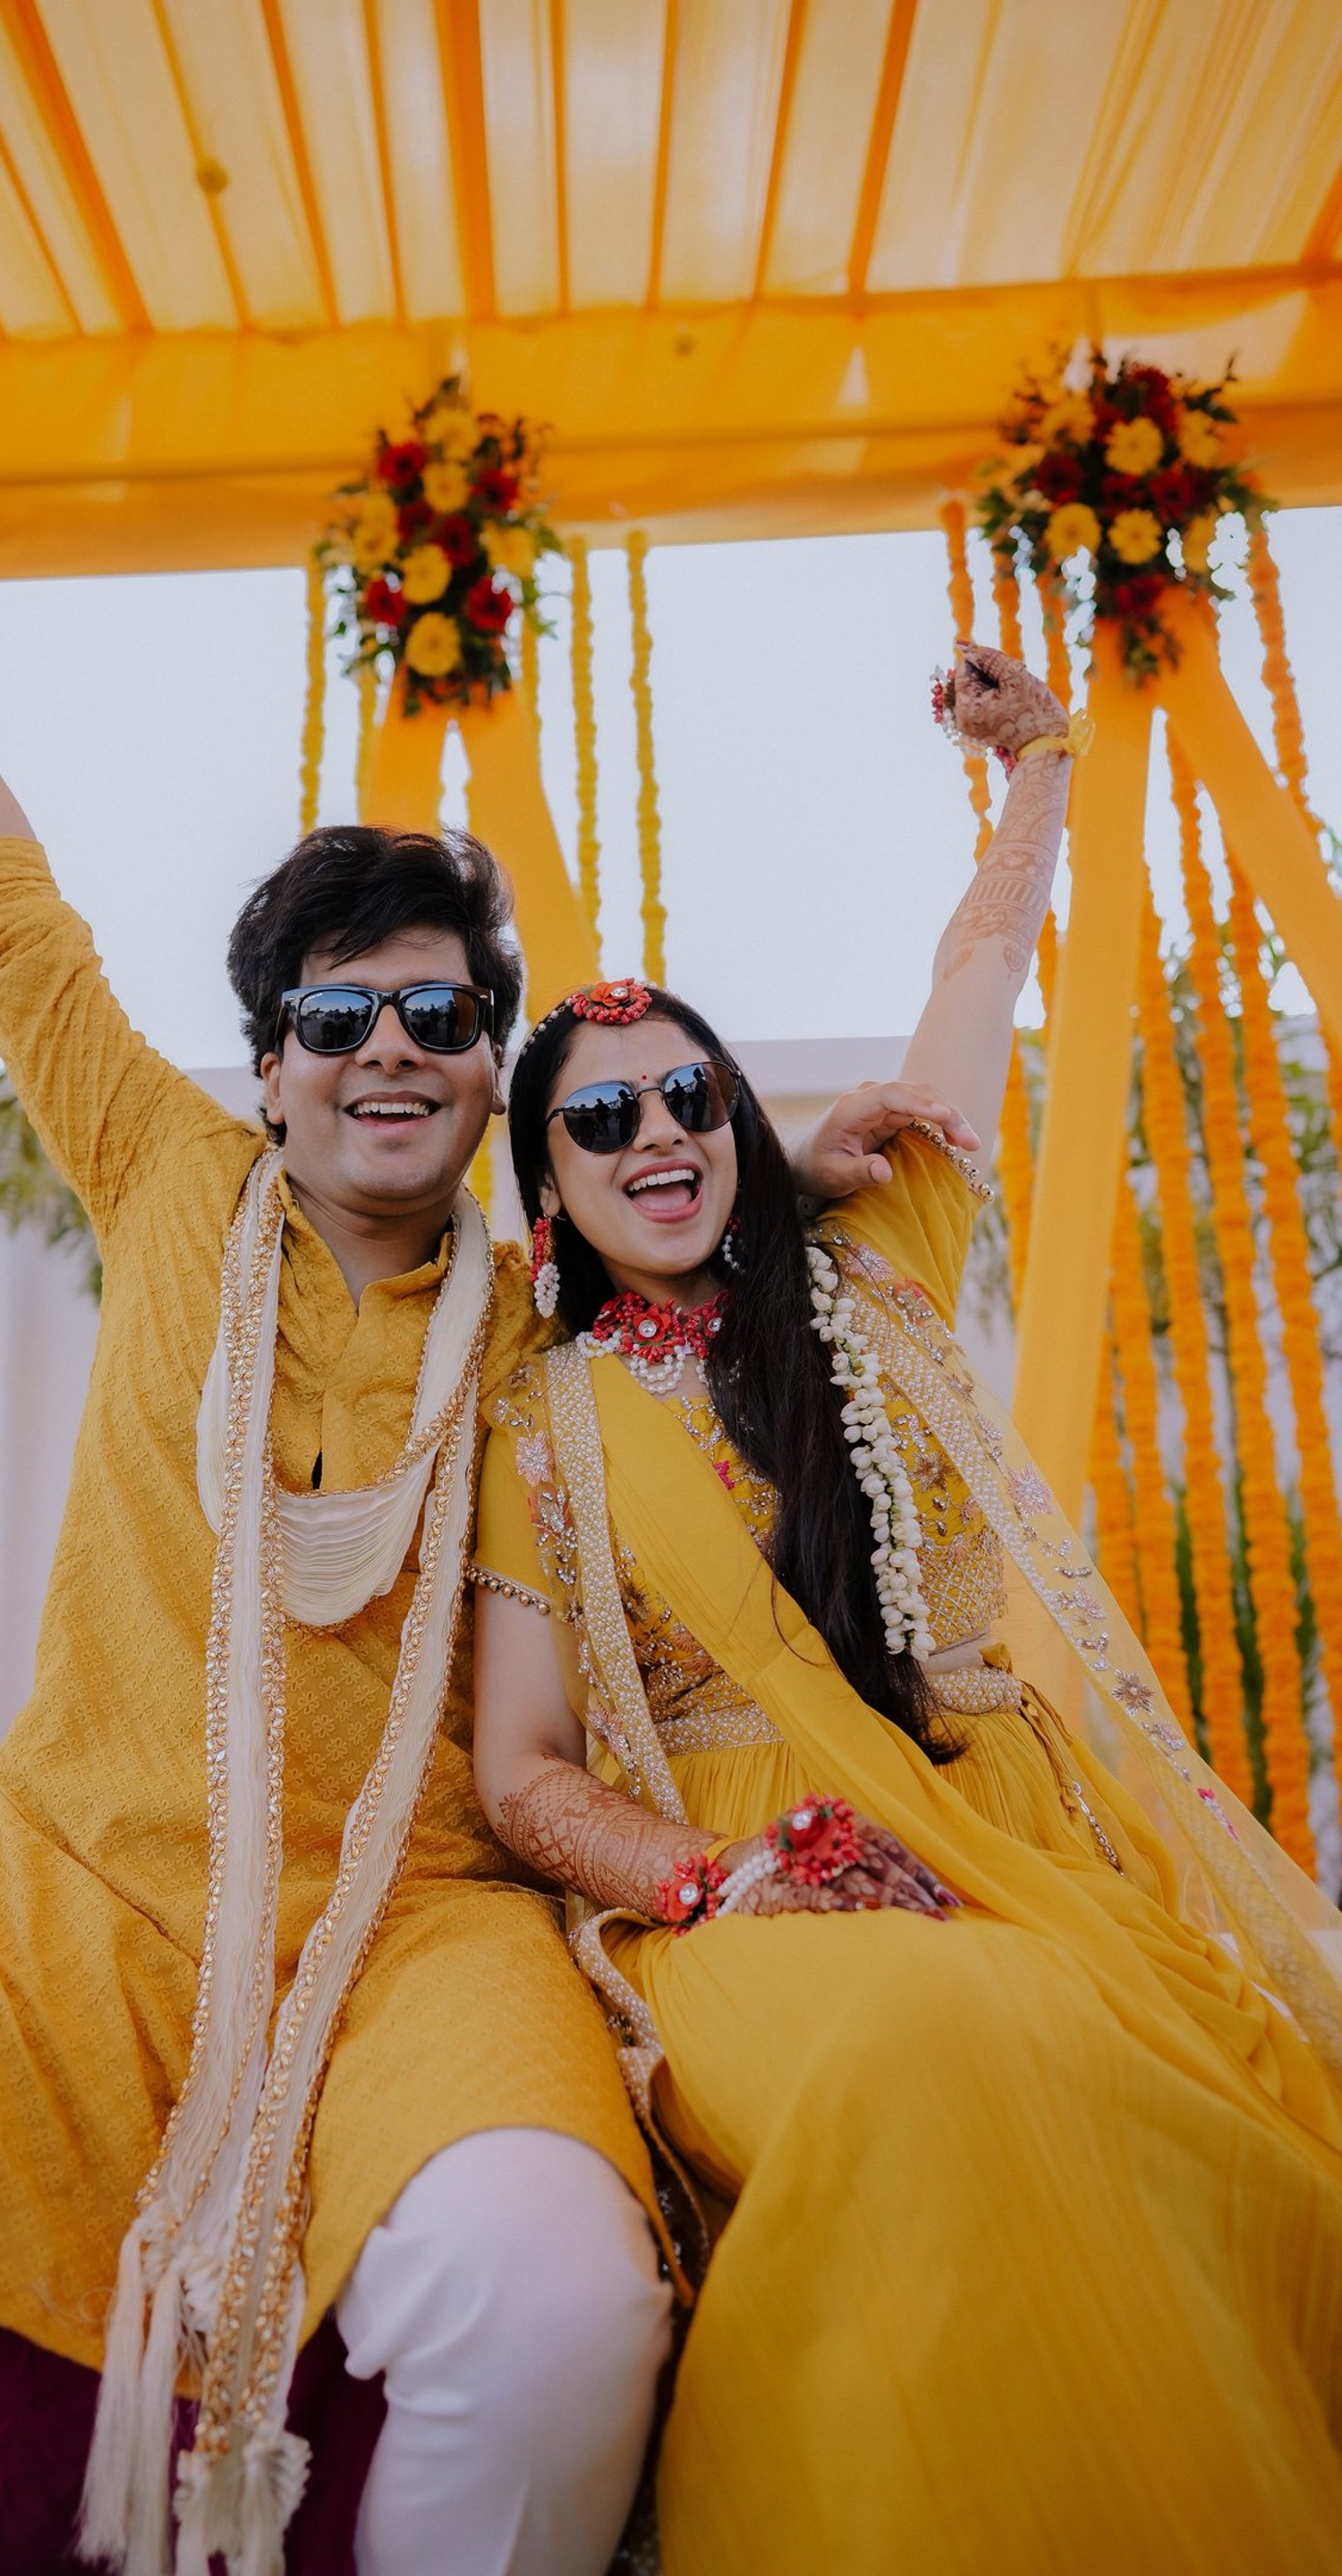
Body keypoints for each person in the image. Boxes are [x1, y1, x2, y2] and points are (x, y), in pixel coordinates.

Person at [0, 389, 958, 2576]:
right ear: (266, 1064)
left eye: (438, 1015)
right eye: (334, 1022)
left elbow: (694, 1212)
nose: (388, 1054)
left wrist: (762, 1185)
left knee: (550, 2312)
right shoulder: (166, 1177)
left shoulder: (544, 1321)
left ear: (487, 1064)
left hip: (421, 1922)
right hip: (83, 1889)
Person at [470, 647, 1342, 2576]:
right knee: (930, 2046)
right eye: (599, 1124)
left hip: (1003, 1850)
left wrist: (1038, 769)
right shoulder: (536, 1423)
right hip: (736, 1887)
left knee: (1107, 2052)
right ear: (546, 1188)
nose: (655, 1135)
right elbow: (520, 1770)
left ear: (740, 1102)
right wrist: (724, 1878)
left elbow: (978, 985)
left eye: (689, 1094)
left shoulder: (877, 1267)